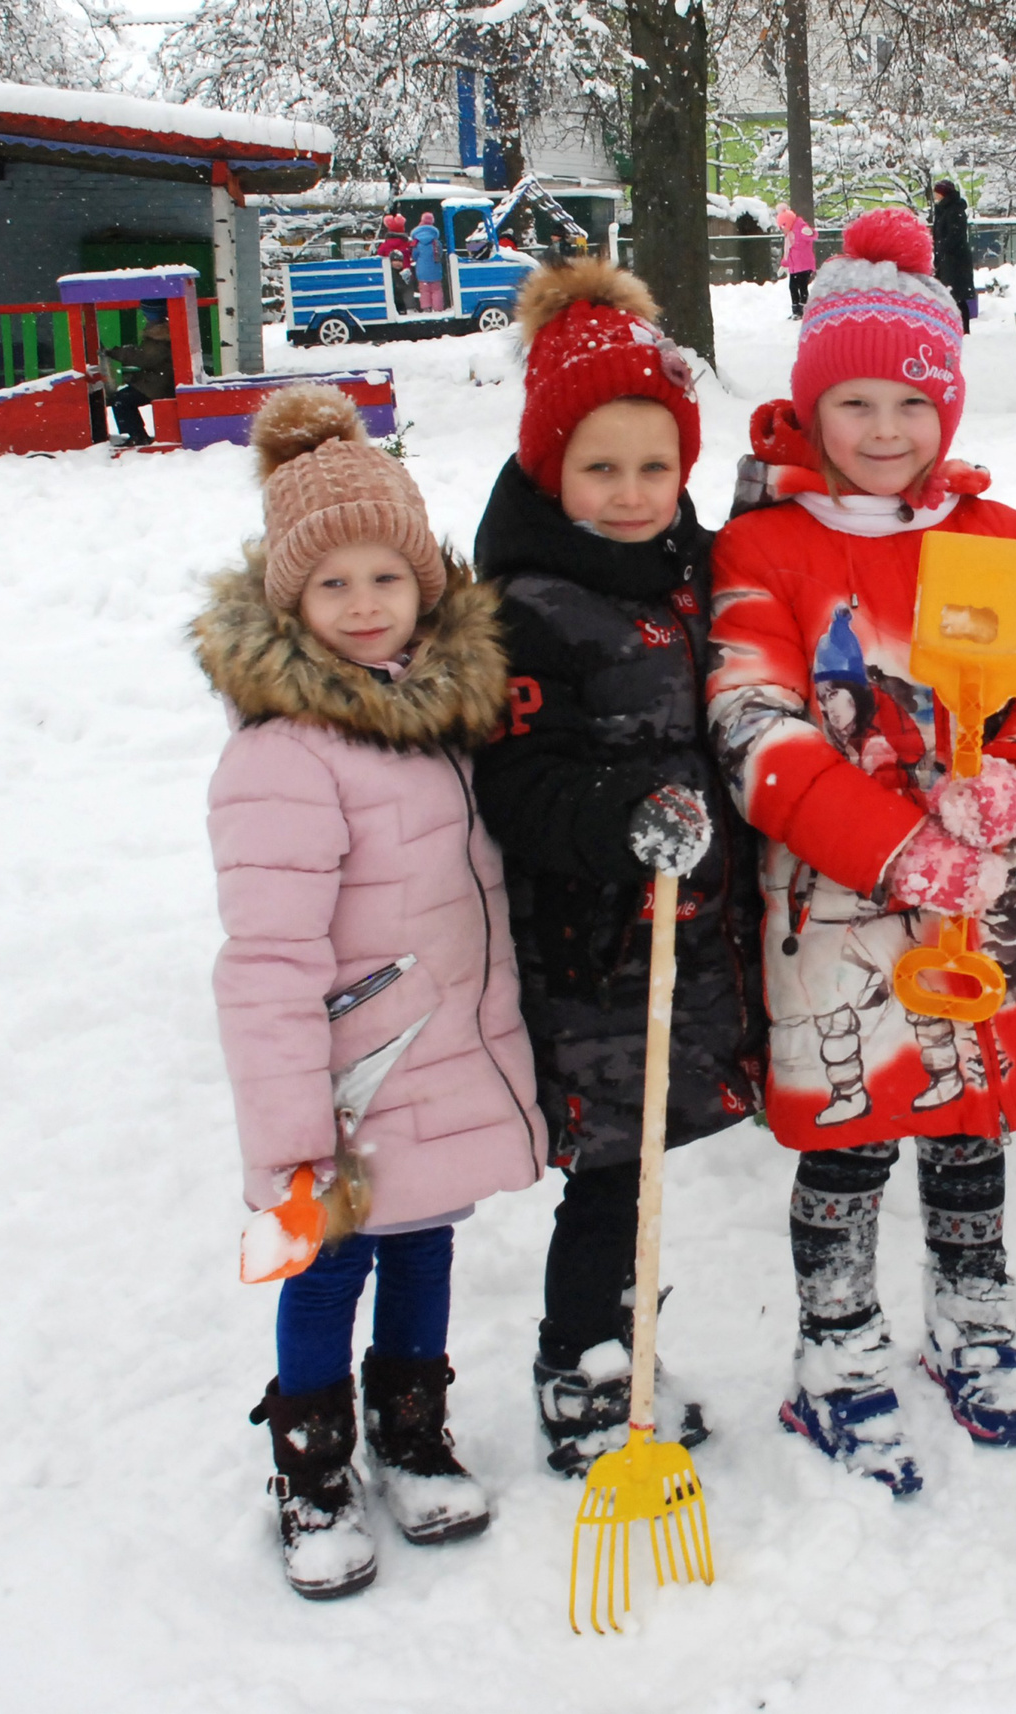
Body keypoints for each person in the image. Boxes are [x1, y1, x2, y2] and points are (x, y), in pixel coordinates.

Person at [706, 208, 1016, 1494]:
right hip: (837, 907)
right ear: (810, 406)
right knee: (851, 1131)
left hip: (984, 895)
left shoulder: (989, 539)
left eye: (912, 402)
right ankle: (836, 1346)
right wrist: (897, 851)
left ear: (949, 406)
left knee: (969, 1120)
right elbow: (756, 730)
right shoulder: (763, 550)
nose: (886, 431)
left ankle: (971, 1320)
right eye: (856, 401)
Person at [194, 384, 545, 1599]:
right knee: (327, 1267)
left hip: (439, 1059)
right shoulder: (281, 755)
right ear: (289, 600)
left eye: (383, 579)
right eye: (331, 584)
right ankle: (312, 1464)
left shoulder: (441, 717)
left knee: (427, 1247)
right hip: (345, 1079)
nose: (360, 605)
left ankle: (411, 1429)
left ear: (424, 585)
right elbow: (267, 963)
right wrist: (292, 1133)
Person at [468, 258, 766, 1478]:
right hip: (592, 948)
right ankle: (576, 1360)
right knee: (607, 1171)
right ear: (550, 467)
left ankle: (622, 1342)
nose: (635, 492)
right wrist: (619, 816)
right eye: (602, 468)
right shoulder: (525, 608)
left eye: (657, 466)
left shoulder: (694, 570)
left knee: (642, 1166)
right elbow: (515, 780)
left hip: (685, 931)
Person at [104, 301, 174, 446]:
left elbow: (144, 358)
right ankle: (137, 434)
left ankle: (137, 436)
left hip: (159, 384)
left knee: (120, 400)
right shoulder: (164, 329)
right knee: (122, 398)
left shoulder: (160, 332)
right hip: (160, 380)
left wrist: (115, 352)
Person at [929, 180, 976, 326]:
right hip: (945, 260)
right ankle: (950, 325)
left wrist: (941, 247)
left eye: (937, 192)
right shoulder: (942, 210)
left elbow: (954, 235)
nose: (935, 195)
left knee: (957, 296)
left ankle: (963, 327)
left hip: (955, 261)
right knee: (947, 295)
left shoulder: (954, 210)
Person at [778, 201, 817, 318]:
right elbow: (788, 252)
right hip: (795, 267)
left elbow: (811, 236)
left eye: (783, 226)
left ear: (788, 223)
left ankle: (804, 309)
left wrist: (810, 233)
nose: (782, 230)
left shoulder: (800, 228)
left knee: (802, 286)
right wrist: (784, 264)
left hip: (804, 265)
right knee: (793, 287)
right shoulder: (789, 236)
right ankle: (796, 310)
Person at [375, 213, 418, 314]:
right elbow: (412, 252)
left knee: (394, 291)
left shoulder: (385, 245)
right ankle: (410, 308)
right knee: (407, 290)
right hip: (406, 271)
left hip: (391, 273)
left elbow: (379, 254)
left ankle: (396, 308)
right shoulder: (406, 243)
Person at [412, 212, 446, 314]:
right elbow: (439, 254)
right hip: (435, 269)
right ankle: (438, 308)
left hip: (422, 271)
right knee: (436, 290)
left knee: (424, 290)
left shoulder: (417, 243)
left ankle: (426, 308)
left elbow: (414, 256)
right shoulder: (436, 242)